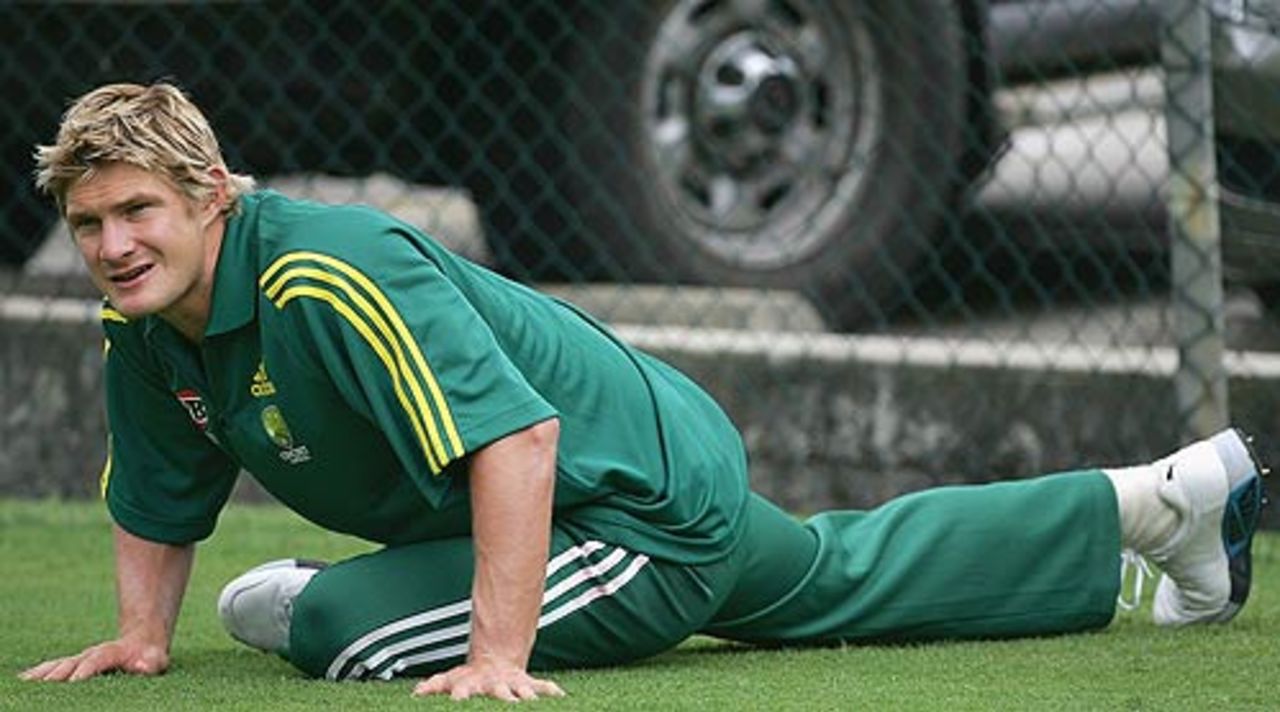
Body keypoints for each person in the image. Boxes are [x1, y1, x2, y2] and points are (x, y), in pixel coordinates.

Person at [19, 81, 1269, 702]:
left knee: (328, 628)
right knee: (839, 579)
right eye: (91, 223)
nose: (115, 242)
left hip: (631, 510)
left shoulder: (319, 273)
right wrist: (139, 639)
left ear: (212, 199)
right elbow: (158, 486)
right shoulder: (145, 327)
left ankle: (342, 604)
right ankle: (1158, 502)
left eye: (141, 210)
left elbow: (515, 438)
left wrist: (496, 653)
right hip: (663, 462)